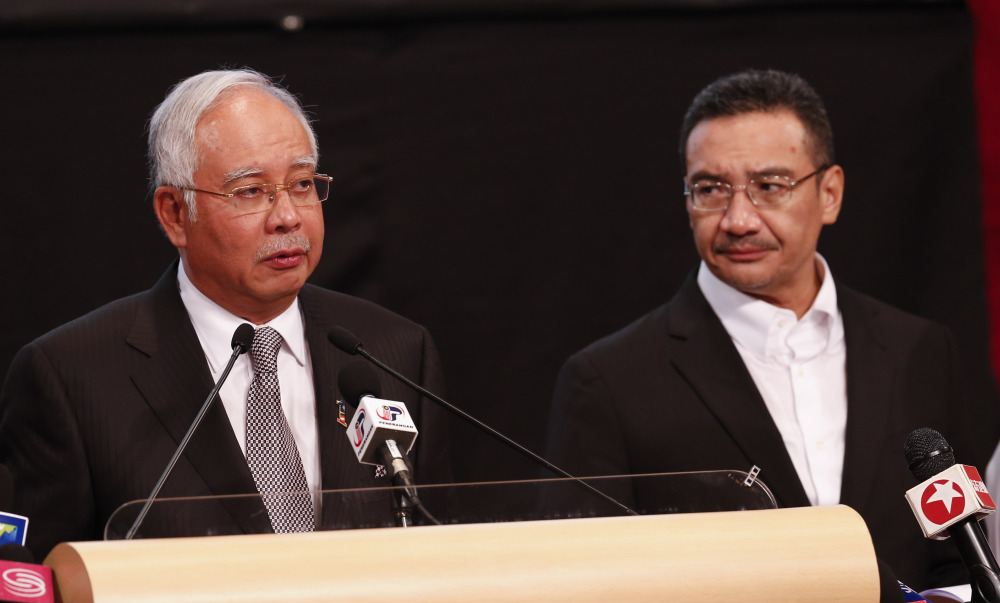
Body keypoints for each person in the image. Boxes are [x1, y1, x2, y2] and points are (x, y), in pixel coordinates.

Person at [544, 69, 1000, 590]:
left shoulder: (920, 350)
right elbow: (581, 582)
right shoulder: (608, 381)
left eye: (769, 186)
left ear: (830, 193)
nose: (738, 220)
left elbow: (962, 555)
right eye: (710, 189)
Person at [0, 69, 450, 559]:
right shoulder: (70, 378)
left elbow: (444, 553)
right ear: (175, 213)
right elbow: (30, 578)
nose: (288, 217)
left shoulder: (394, 351)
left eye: (302, 183)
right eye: (251, 191)